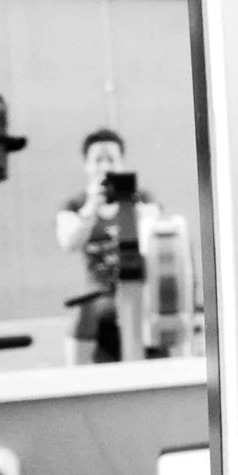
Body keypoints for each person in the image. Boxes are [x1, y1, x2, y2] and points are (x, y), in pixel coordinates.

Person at [56, 128, 160, 366]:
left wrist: (129, 202)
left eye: (111, 160)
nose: (104, 166)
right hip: (99, 296)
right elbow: (68, 242)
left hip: (139, 292)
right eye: (97, 160)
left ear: (122, 164)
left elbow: (156, 226)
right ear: (86, 165)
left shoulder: (141, 199)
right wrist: (91, 208)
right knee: (83, 316)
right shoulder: (75, 205)